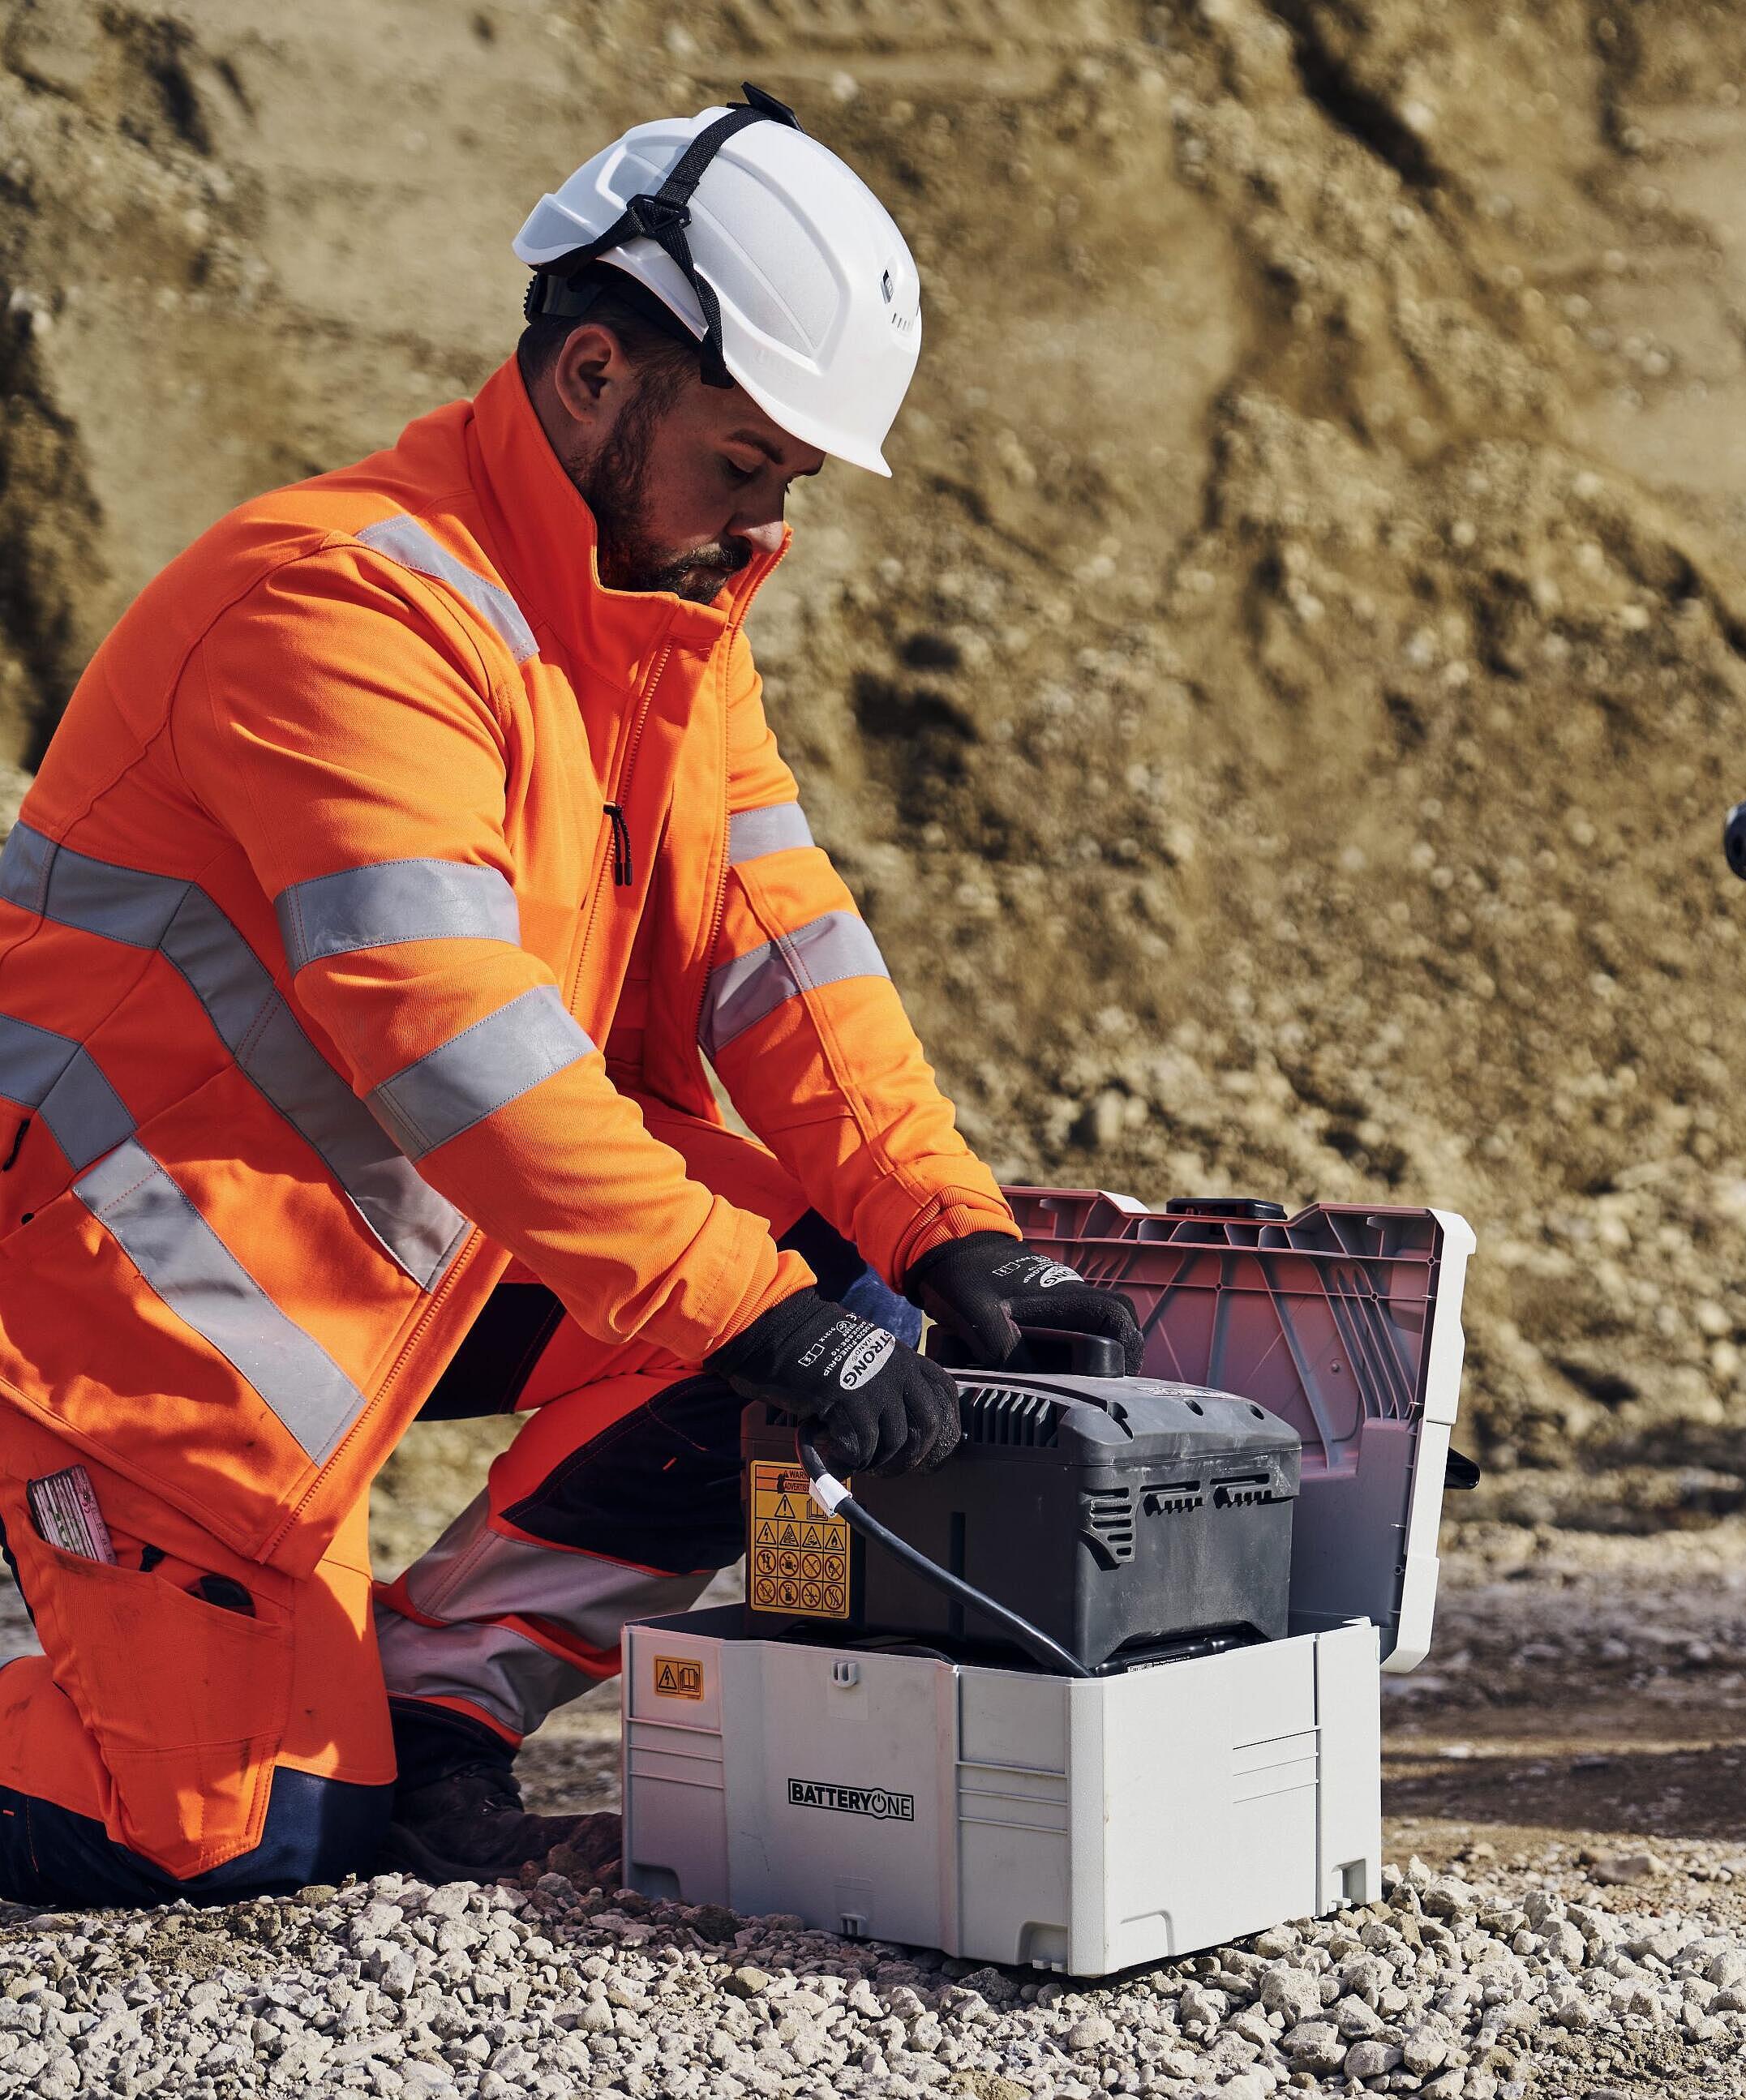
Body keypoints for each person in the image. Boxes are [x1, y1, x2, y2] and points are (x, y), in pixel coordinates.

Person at [0, 88, 1135, 1903]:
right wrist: (759, 1318)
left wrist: (947, 1230)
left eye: (789, 482)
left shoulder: (658, 623)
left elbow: (782, 947)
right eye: (743, 462)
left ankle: (438, 1708)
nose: (761, 523)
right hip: (123, 1303)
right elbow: (454, 1045)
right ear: (596, 374)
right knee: (228, 1834)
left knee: (840, 1286)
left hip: (378, 1253)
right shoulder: (340, 609)